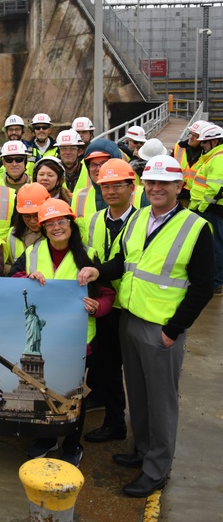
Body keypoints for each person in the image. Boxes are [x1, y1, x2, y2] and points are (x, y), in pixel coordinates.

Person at [78, 155, 214, 497]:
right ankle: (141, 451)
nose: (156, 188)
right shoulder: (139, 218)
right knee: (138, 395)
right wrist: (99, 272)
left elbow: (203, 285)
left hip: (161, 328)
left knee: (161, 402)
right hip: (131, 318)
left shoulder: (195, 227)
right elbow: (126, 261)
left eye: (164, 183)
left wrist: (174, 329)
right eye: (151, 182)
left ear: (178, 187)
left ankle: (156, 469)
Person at [11, 198, 115, 467]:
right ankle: (45, 440)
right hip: (43, 341)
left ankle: (71, 445)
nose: (57, 227)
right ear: (43, 228)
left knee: (72, 396)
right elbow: (12, 282)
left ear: (71, 224)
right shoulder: (32, 252)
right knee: (43, 392)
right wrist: (26, 279)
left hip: (77, 341)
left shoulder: (89, 255)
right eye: (50, 223)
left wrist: (96, 309)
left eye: (61, 221)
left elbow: (107, 294)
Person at [79, 159, 136, 445]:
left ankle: (115, 423)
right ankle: (98, 397)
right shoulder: (94, 221)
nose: (111, 191)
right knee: (99, 361)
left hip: (125, 306)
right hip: (97, 301)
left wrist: (99, 272)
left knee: (114, 368)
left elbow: (123, 262)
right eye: (105, 186)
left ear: (131, 186)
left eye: (117, 185)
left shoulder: (142, 223)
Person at [190, 123, 223, 294]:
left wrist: (201, 207)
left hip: (212, 210)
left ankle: (217, 283)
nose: (201, 145)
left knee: (215, 247)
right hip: (211, 209)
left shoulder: (218, 158)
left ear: (215, 141)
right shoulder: (214, 156)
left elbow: (214, 188)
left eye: (205, 142)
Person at [71, 139, 124, 224]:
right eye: (93, 164)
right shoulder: (77, 198)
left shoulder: (139, 196)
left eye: (104, 163)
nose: (98, 169)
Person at [6, 182, 49, 265]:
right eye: (27, 216)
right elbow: (6, 264)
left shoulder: (57, 233)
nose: (32, 221)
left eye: (36, 215)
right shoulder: (12, 234)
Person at [173, 120, 206, 203]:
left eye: (196, 136)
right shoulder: (179, 147)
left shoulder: (208, 154)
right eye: (191, 133)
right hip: (178, 195)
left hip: (198, 198)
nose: (191, 137)